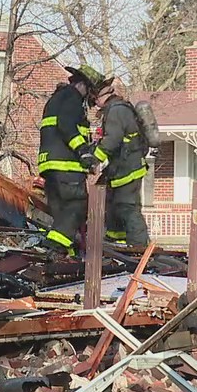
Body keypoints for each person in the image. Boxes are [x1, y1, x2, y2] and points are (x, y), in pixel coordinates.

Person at [38, 63, 110, 255]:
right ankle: (54, 246)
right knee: (77, 205)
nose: (90, 97)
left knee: (62, 213)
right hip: (66, 166)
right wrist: (83, 151)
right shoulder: (72, 97)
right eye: (90, 91)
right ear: (82, 85)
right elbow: (67, 125)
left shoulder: (57, 99)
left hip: (51, 166)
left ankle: (65, 254)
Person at [92, 81, 150, 246]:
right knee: (113, 207)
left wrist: (94, 159)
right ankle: (116, 242)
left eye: (95, 99)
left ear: (103, 96)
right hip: (121, 169)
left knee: (128, 207)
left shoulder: (116, 110)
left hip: (128, 170)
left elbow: (113, 139)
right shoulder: (118, 108)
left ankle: (139, 247)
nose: (94, 103)